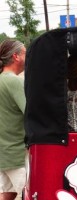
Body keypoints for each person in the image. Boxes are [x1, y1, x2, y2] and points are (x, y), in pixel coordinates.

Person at [0, 39, 27, 200]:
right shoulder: (13, 81)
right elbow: (31, 113)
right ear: (16, 56)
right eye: (25, 53)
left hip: (3, 152)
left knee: (7, 195)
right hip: (16, 154)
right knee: (31, 192)